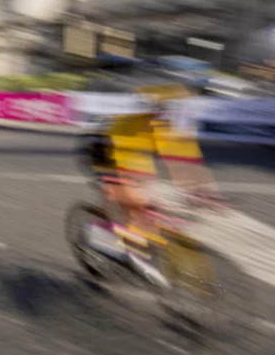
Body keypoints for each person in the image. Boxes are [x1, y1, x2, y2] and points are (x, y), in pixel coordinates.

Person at [86, 92, 223, 250]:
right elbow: (114, 161)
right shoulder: (123, 126)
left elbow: (180, 159)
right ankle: (105, 236)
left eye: (159, 115)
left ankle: (130, 241)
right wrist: (122, 186)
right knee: (132, 201)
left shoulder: (160, 127)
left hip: (132, 166)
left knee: (149, 206)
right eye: (152, 115)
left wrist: (202, 190)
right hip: (101, 157)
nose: (155, 119)